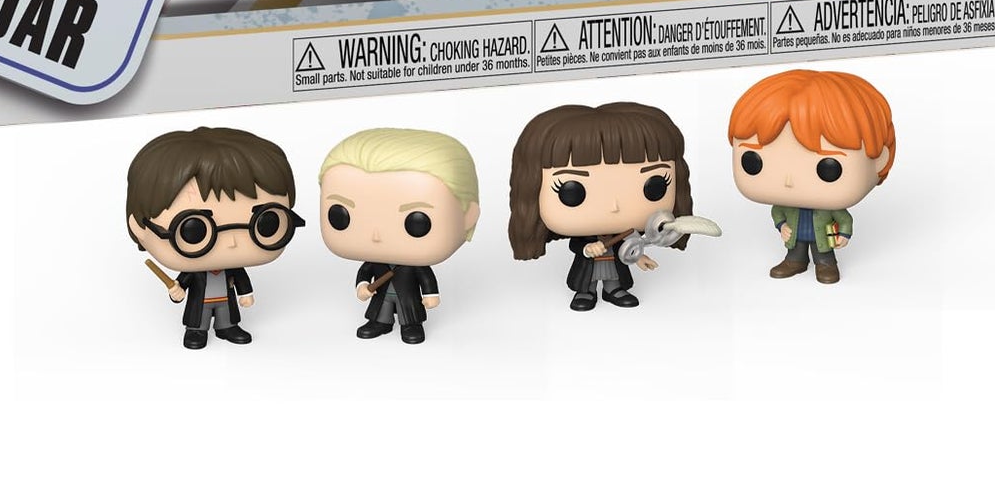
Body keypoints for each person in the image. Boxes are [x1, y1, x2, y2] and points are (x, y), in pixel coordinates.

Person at [508, 100, 696, 311]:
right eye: (572, 191)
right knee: (587, 281)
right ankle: (586, 292)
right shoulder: (586, 236)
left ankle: (613, 290)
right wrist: (587, 248)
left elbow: (630, 246)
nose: (614, 206)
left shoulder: (627, 232)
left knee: (614, 278)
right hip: (589, 263)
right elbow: (576, 246)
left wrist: (640, 257)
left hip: (614, 262)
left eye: (654, 186)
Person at [126, 126, 300, 348]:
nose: (232, 242)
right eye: (194, 230)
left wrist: (245, 293)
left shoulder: (233, 267)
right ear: (139, 226)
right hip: (200, 304)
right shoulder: (193, 271)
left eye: (267, 224)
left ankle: (227, 327)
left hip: (226, 301)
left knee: (227, 316)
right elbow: (182, 283)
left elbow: (241, 279)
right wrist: (176, 291)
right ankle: (197, 331)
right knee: (199, 319)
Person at [728, 68, 895, 285]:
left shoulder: (831, 207)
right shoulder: (785, 205)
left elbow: (845, 219)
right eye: (752, 162)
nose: (789, 181)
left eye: (828, 168)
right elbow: (777, 212)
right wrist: (782, 226)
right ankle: (795, 261)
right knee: (795, 252)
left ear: (879, 158)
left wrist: (844, 235)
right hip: (795, 237)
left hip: (823, 239)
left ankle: (825, 264)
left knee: (823, 254)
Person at [318, 127, 480, 344]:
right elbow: (365, 271)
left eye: (417, 222)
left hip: (408, 298)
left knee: (409, 314)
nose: (376, 235)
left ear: (468, 216)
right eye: (340, 216)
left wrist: (430, 295)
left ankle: (411, 325)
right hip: (381, 296)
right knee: (381, 310)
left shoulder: (415, 265)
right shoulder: (374, 261)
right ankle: (380, 323)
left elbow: (425, 277)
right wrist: (362, 286)